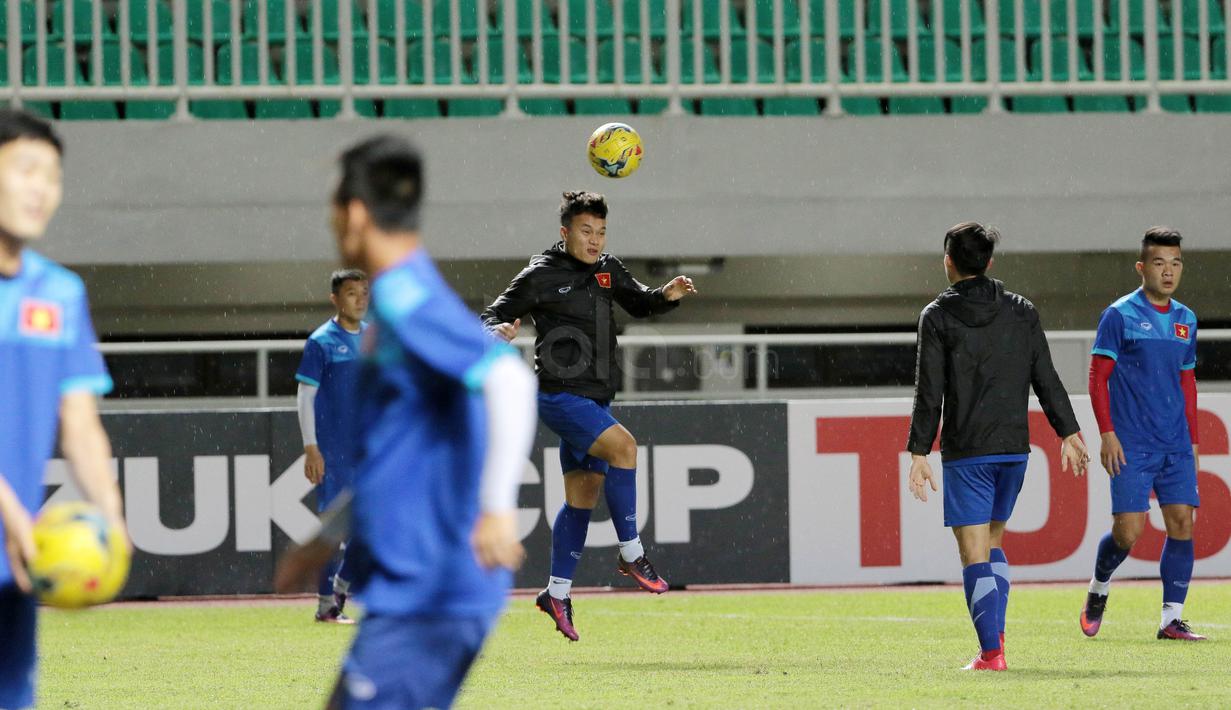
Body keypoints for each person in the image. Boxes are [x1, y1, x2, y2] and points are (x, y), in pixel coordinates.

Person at [313, 134, 537, 709]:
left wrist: (495, 509)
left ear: (355, 213)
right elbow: (403, 447)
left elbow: (509, 381)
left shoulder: (408, 297)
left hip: (432, 585)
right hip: (416, 587)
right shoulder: (397, 299)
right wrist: (329, 537)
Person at [481, 191, 696, 641]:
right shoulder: (540, 274)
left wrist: (668, 295)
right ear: (565, 232)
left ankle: (556, 593)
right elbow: (494, 313)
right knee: (626, 448)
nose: (595, 239)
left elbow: (640, 302)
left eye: (601, 232)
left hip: (596, 399)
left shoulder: (608, 269)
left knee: (583, 497)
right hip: (560, 395)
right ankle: (631, 552)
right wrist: (495, 331)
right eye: (585, 231)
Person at [906, 222, 1088, 671]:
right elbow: (1045, 373)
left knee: (972, 553)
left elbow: (930, 388)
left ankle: (992, 654)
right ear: (989, 262)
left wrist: (918, 451)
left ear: (948, 261)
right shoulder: (1021, 310)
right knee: (993, 542)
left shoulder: (937, 316)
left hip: (968, 450)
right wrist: (1068, 431)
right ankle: (997, 641)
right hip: (1013, 449)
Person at [0, 109, 128, 709]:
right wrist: (15, 518)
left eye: (52, 176)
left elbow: (80, 425)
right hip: (19, 536)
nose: (40, 190)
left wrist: (112, 522)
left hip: (17, 564)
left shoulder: (60, 293)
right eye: (25, 170)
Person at [1080, 227, 1206, 641]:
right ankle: (1099, 586)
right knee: (1128, 531)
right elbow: (1098, 378)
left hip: (1175, 443)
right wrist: (1108, 434)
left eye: (1176, 263)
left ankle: (1171, 619)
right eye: (1159, 263)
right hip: (1131, 443)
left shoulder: (1187, 320)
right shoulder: (1119, 315)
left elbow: (1187, 384)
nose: (1168, 272)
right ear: (1141, 267)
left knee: (1182, 522)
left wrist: (1193, 440)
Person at [296, 269, 369, 623]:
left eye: (363, 292)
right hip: (335, 453)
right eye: (351, 292)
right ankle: (326, 604)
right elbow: (305, 397)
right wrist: (312, 447)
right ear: (335, 299)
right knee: (333, 529)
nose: (359, 298)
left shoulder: (374, 338)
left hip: (369, 452)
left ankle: (341, 584)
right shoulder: (321, 341)